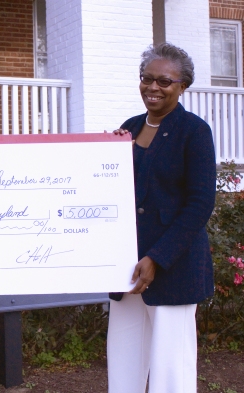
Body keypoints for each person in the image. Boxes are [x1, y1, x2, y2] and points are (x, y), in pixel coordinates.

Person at [107, 43, 217, 393]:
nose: (152, 87)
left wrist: (157, 258)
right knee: (123, 358)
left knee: (172, 366)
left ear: (183, 86)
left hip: (173, 266)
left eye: (164, 82)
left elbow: (200, 205)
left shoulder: (194, 132)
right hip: (126, 268)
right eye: (146, 79)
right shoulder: (128, 127)